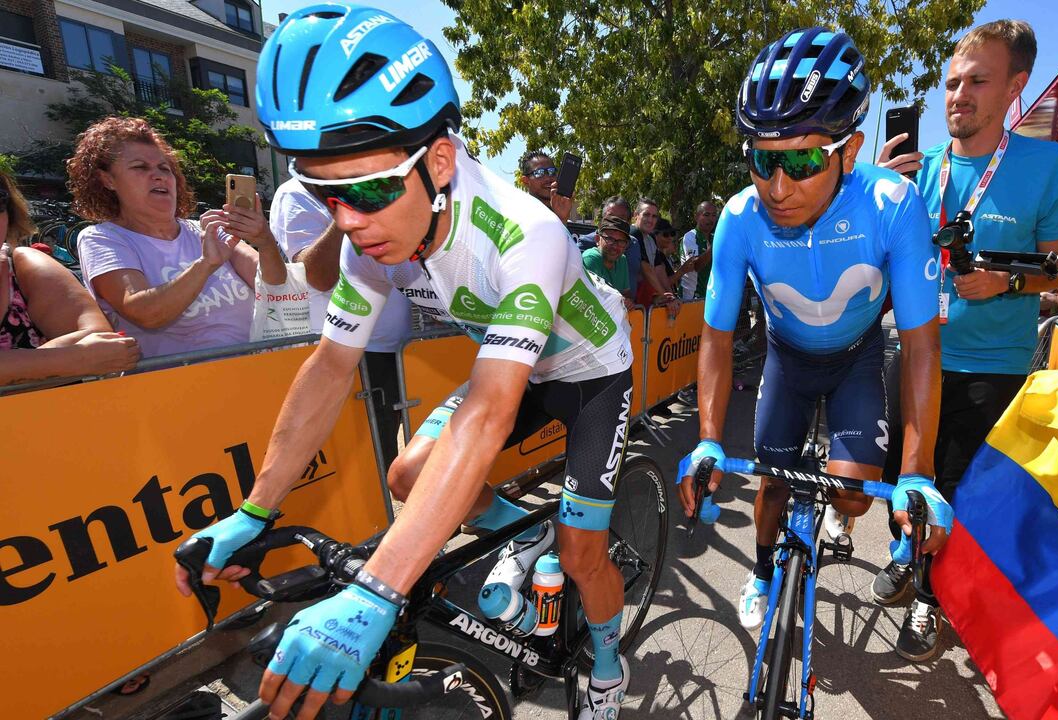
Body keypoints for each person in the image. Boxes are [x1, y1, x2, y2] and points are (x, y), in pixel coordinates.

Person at [174, 7, 635, 720]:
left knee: (581, 554)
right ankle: (528, 528)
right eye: (325, 195)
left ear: (440, 162)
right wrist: (253, 510)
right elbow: (331, 368)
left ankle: (608, 662)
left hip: (590, 371)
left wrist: (377, 588)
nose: (348, 221)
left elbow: (489, 413)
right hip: (521, 365)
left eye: (365, 190)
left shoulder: (525, 231)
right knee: (408, 474)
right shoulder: (372, 239)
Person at [679, 26, 952, 654]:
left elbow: (921, 347)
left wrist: (918, 472)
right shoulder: (739, 218)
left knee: (853, 502)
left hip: (857, 361)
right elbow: (716, 337)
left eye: (802, 162)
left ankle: (831, 504)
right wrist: (709, 439)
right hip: (788, 361)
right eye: (762, 160)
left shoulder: (893, 204)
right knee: (772, 485)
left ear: (850, 151)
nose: (777, 187)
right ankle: (762, 569)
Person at [876, 19, 1058, 660]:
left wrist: (1005, 283)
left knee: (956, 491)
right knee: (903, 477)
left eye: (977, 82)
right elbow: (877, 259)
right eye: (952, 82)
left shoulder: (1048, 164)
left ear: (1015, 87)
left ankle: (930, 599)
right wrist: (873, 191)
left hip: (991, 364)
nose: (958, 95)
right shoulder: (918, 170)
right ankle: (907, 554)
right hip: (915, 355)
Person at [71, 117, 285, 358]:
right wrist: (205, 264)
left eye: (165, 168)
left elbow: (277, 288)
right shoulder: (102, 239)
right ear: (108, 180)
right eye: (140, 167)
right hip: (185, 377)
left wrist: (265, 241)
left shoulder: (208, 230)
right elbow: (146, 313)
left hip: (261, 365)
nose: (159, 176)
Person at [269, 177, 413, 471]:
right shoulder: (294, 194)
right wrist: (347, 207)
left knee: (389, 457)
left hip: (395, 352)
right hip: (347, 356)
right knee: (363, 466)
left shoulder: (371, 187)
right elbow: (317, 276)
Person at [0, 170, 139, 384]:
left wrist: (15, 370)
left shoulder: (23, 266)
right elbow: (91, 355)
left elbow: (104, 346)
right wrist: (70, 360)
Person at [582, 214, 634, 302]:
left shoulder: (622, 259)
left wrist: (628, 301)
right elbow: (592, 300)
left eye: (621, 241)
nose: (615, 246)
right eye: (610, 239)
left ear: (626, 246)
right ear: (597, 239)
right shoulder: (590, 258)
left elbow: (626, 294)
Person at [518, 149, 575, 224]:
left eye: (551, 171)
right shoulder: (518, 217)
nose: (548, 178)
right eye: (539, 173)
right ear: (525, 181)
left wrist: (562, 219)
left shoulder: (566, 221)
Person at [678, 201, 717, 300]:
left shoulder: (715, 237)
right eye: (706, 215)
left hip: (711, 296)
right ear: (696, 217)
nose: (710, 219)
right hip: (692, 298)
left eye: (714, 215)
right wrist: (715, 246)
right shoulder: (690, 237)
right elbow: (695, 266)